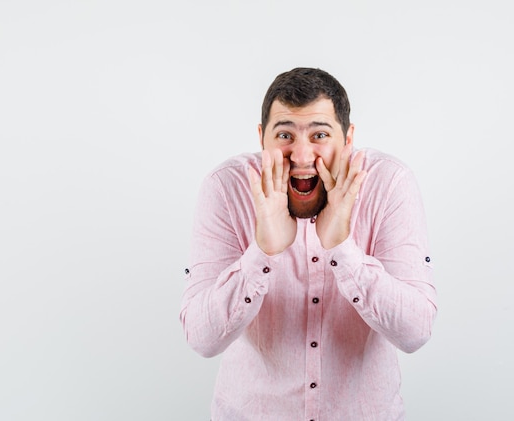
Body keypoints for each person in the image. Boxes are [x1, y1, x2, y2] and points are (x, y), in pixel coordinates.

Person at [180, 67, 437, 421]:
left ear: (348, 139)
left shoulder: (389, 184)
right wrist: (262, 252)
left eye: (319, 134)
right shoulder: (225, 189)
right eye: (285, 134)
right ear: (262, 138)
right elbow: (201, 338)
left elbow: (415, 331)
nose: (301, 156)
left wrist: (343, 249)